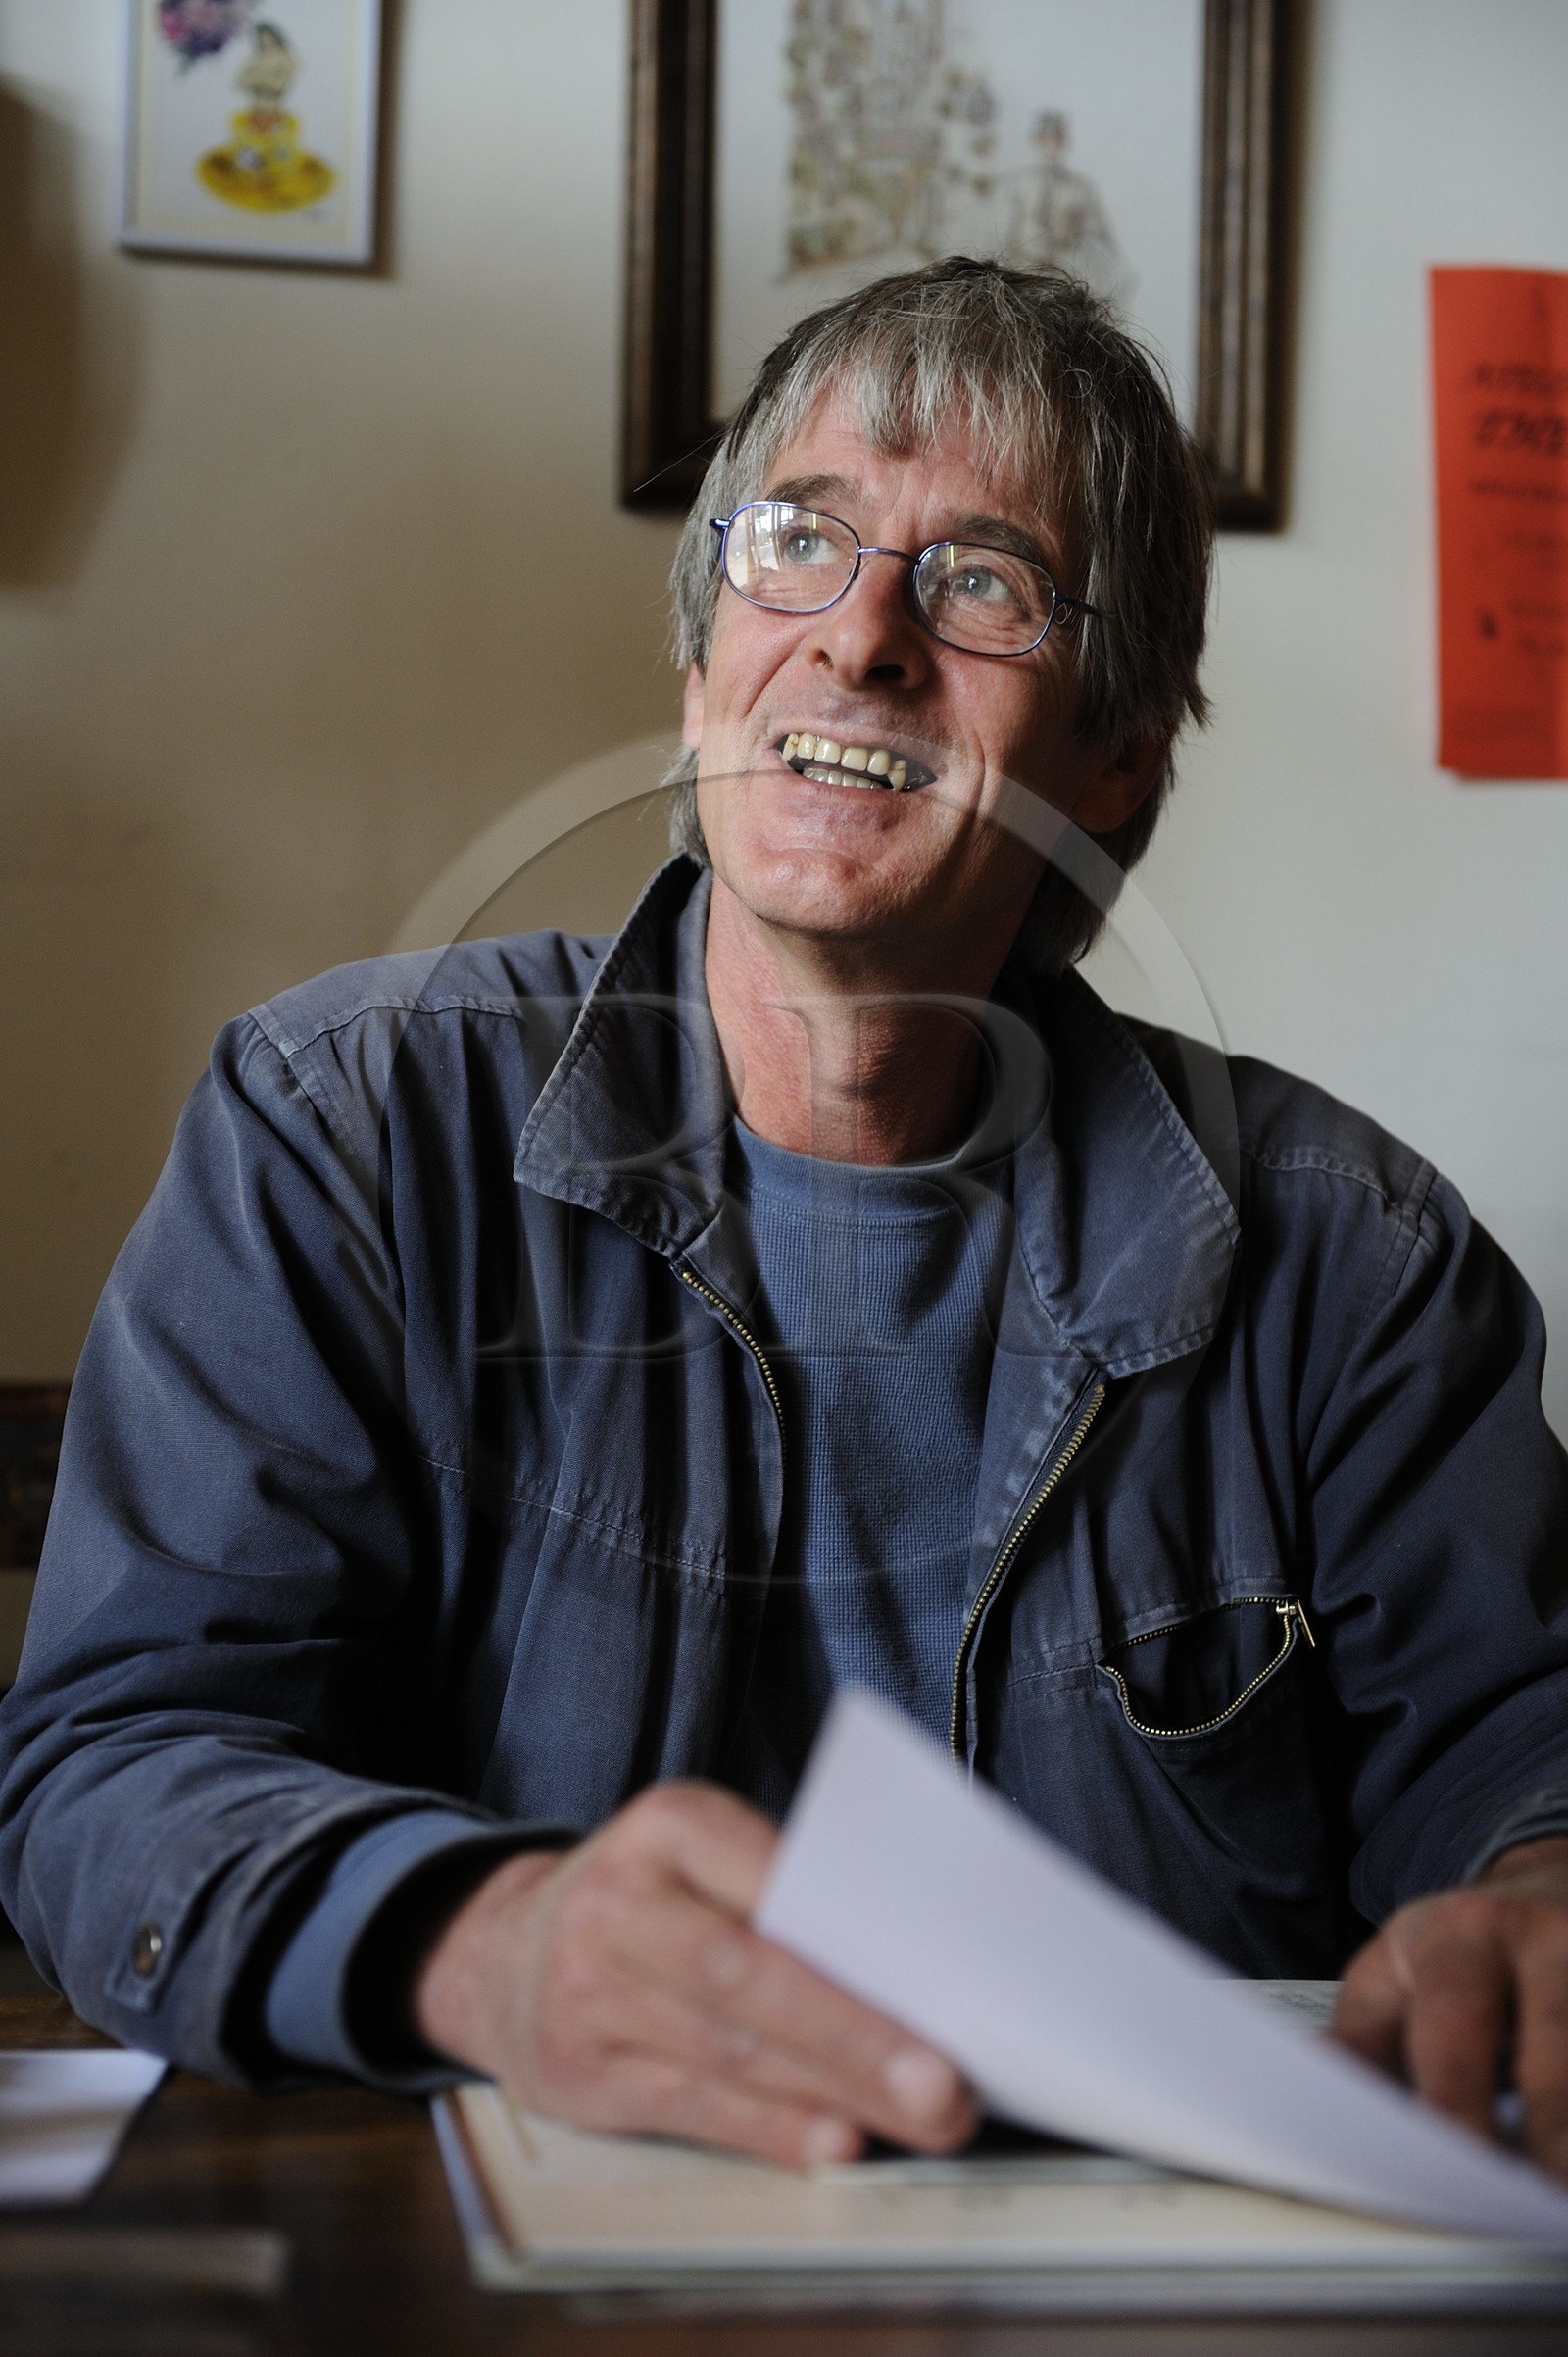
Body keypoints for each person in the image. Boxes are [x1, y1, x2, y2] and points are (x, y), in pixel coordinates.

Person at [5, 260, 1568, 2181]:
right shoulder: (341, 1136)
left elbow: (1522, 1767)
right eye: (797, 543)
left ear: (1115, 754)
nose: (863, 642)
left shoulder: (1359, 1267)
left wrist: (1539, 1904)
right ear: (695, 672)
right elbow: (116, 1774)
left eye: (982, 578)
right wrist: (486, 1949)